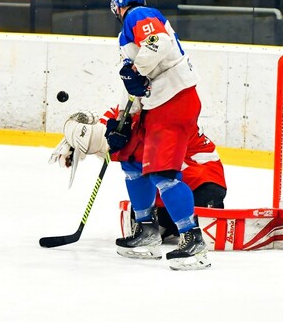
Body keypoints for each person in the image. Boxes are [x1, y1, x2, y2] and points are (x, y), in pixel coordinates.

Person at [108, 0, 210, 270]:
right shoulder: (131, 26)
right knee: (131, 159)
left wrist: (136, 69)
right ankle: (147, 232)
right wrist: (124, 121)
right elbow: (138, 85)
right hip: (159, 104)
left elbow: (158, 43)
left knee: (164, 174)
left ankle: (193, 241)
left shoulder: (137, 15)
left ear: (116, 4)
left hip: (174, 102)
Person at [50, 107, 226, 259]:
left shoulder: (149, 122)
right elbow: (96, 127)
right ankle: (170, 222)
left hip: (203, 180)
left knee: (158, 204)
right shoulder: (118, 120)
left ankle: (193, 225)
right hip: (183, 171)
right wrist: (72, 142)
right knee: (141, 216)